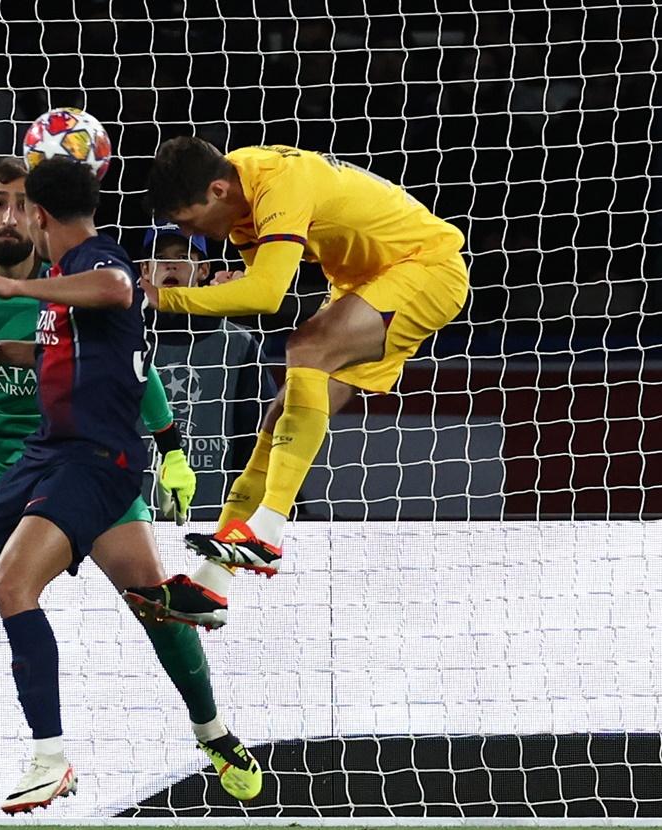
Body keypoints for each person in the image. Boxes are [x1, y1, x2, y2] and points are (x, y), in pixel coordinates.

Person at [0, 157, 261, 819]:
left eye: (21, 203)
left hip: (86, 457)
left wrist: (172, 445)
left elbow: (121, 308)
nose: (10, 216)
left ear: (38, 213)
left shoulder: (81, 270)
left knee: (128, 598)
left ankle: (204, 730)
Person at [125, 139, 468, 627]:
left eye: (188, 220)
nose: (188, 231)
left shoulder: (277, 185)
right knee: (279, 416)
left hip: (424, 268)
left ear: (218, 190)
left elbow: (266, 295)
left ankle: (266, 532)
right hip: (365, 284)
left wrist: (170, 300)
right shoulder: (239, 198)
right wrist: (236, 282)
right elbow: (261, 280)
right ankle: (211, 584)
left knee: (306, 346)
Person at [140, 223, 275, 520]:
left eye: (183, 254)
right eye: (160, 257)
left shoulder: (239, 345)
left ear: (203, 270)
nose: (171, 264)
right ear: (145, 272)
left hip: (215, 516)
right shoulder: (126, 340)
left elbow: (256, 437)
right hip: (134, 517)